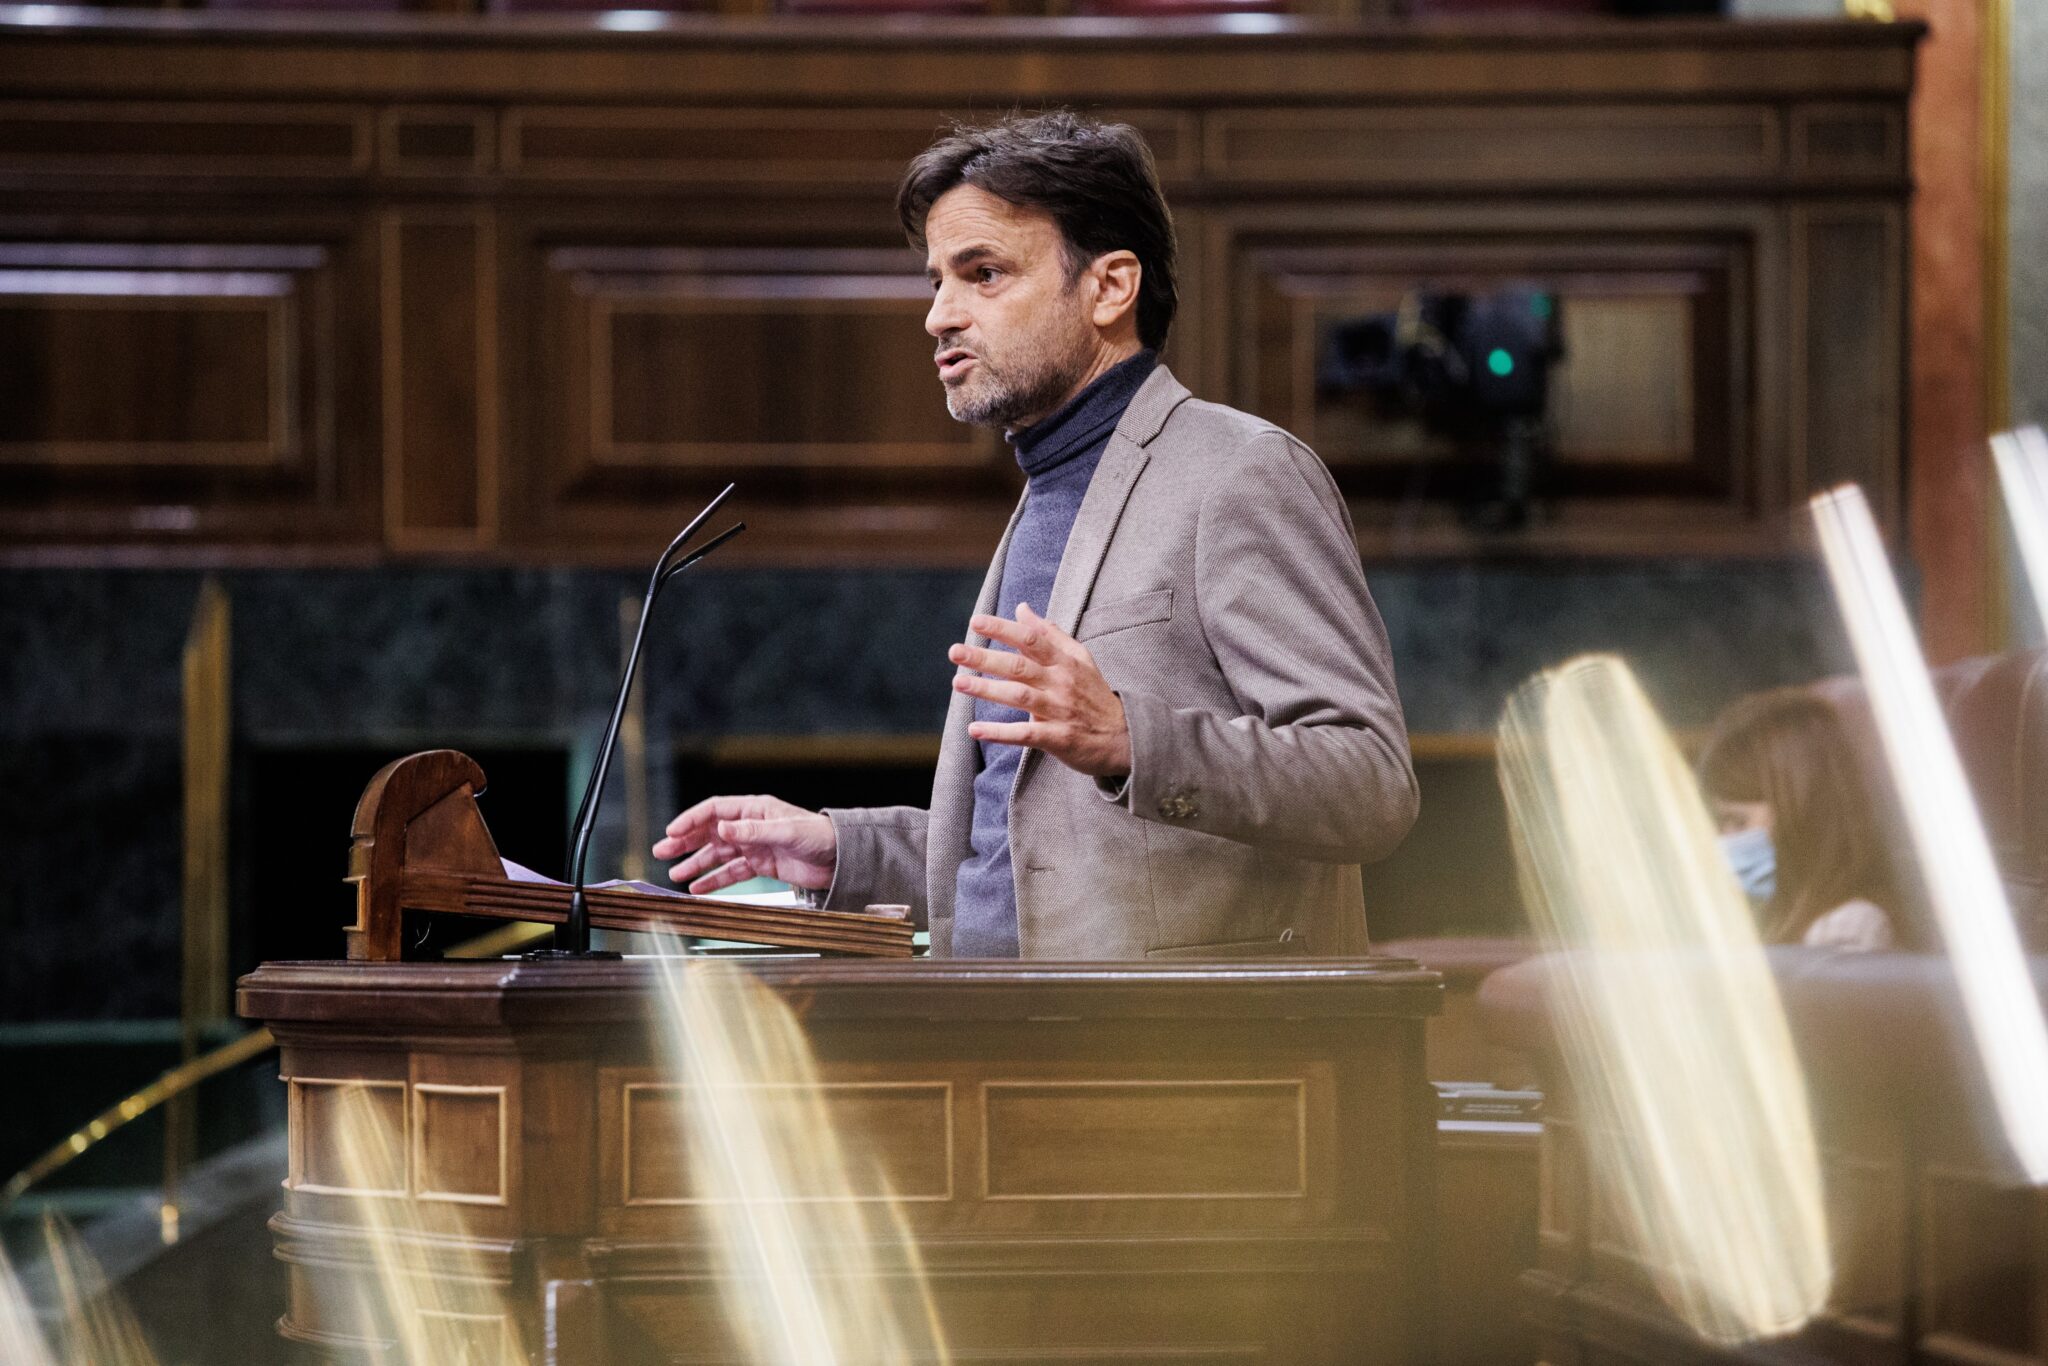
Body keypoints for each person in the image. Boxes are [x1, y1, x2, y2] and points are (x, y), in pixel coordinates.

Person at [652, 111, 1418, 959]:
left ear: (1110, 287)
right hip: (1004, 1049)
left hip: (1184, 1065)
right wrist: (847, 850)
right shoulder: (1049, 491)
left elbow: (1368, 785)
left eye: (983, 274)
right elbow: (1044, 852)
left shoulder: (1237, 473)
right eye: (936, 281)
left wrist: (1132, 738)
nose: (939, 316)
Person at [1699, 689, 1902, 951]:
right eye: (1715, 825)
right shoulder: (1752, 918)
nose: (1721, 843)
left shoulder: (1847, 928)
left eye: (1738, 823)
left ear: (1802, 817)